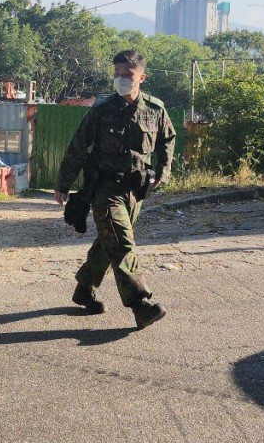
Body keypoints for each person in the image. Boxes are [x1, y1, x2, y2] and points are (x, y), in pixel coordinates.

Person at [54, 50, 176, 330]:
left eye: (128, 75)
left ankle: (84, 288)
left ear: (141, 78)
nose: (121, 79)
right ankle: (140, 304)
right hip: (104, 187)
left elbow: (168, 138)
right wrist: (63, 185)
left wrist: (164, 170)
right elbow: (78, 146)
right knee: (121, 243)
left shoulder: (155, 110)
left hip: (136, 189)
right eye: (117, 74)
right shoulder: (101, 110)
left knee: (108, 241)